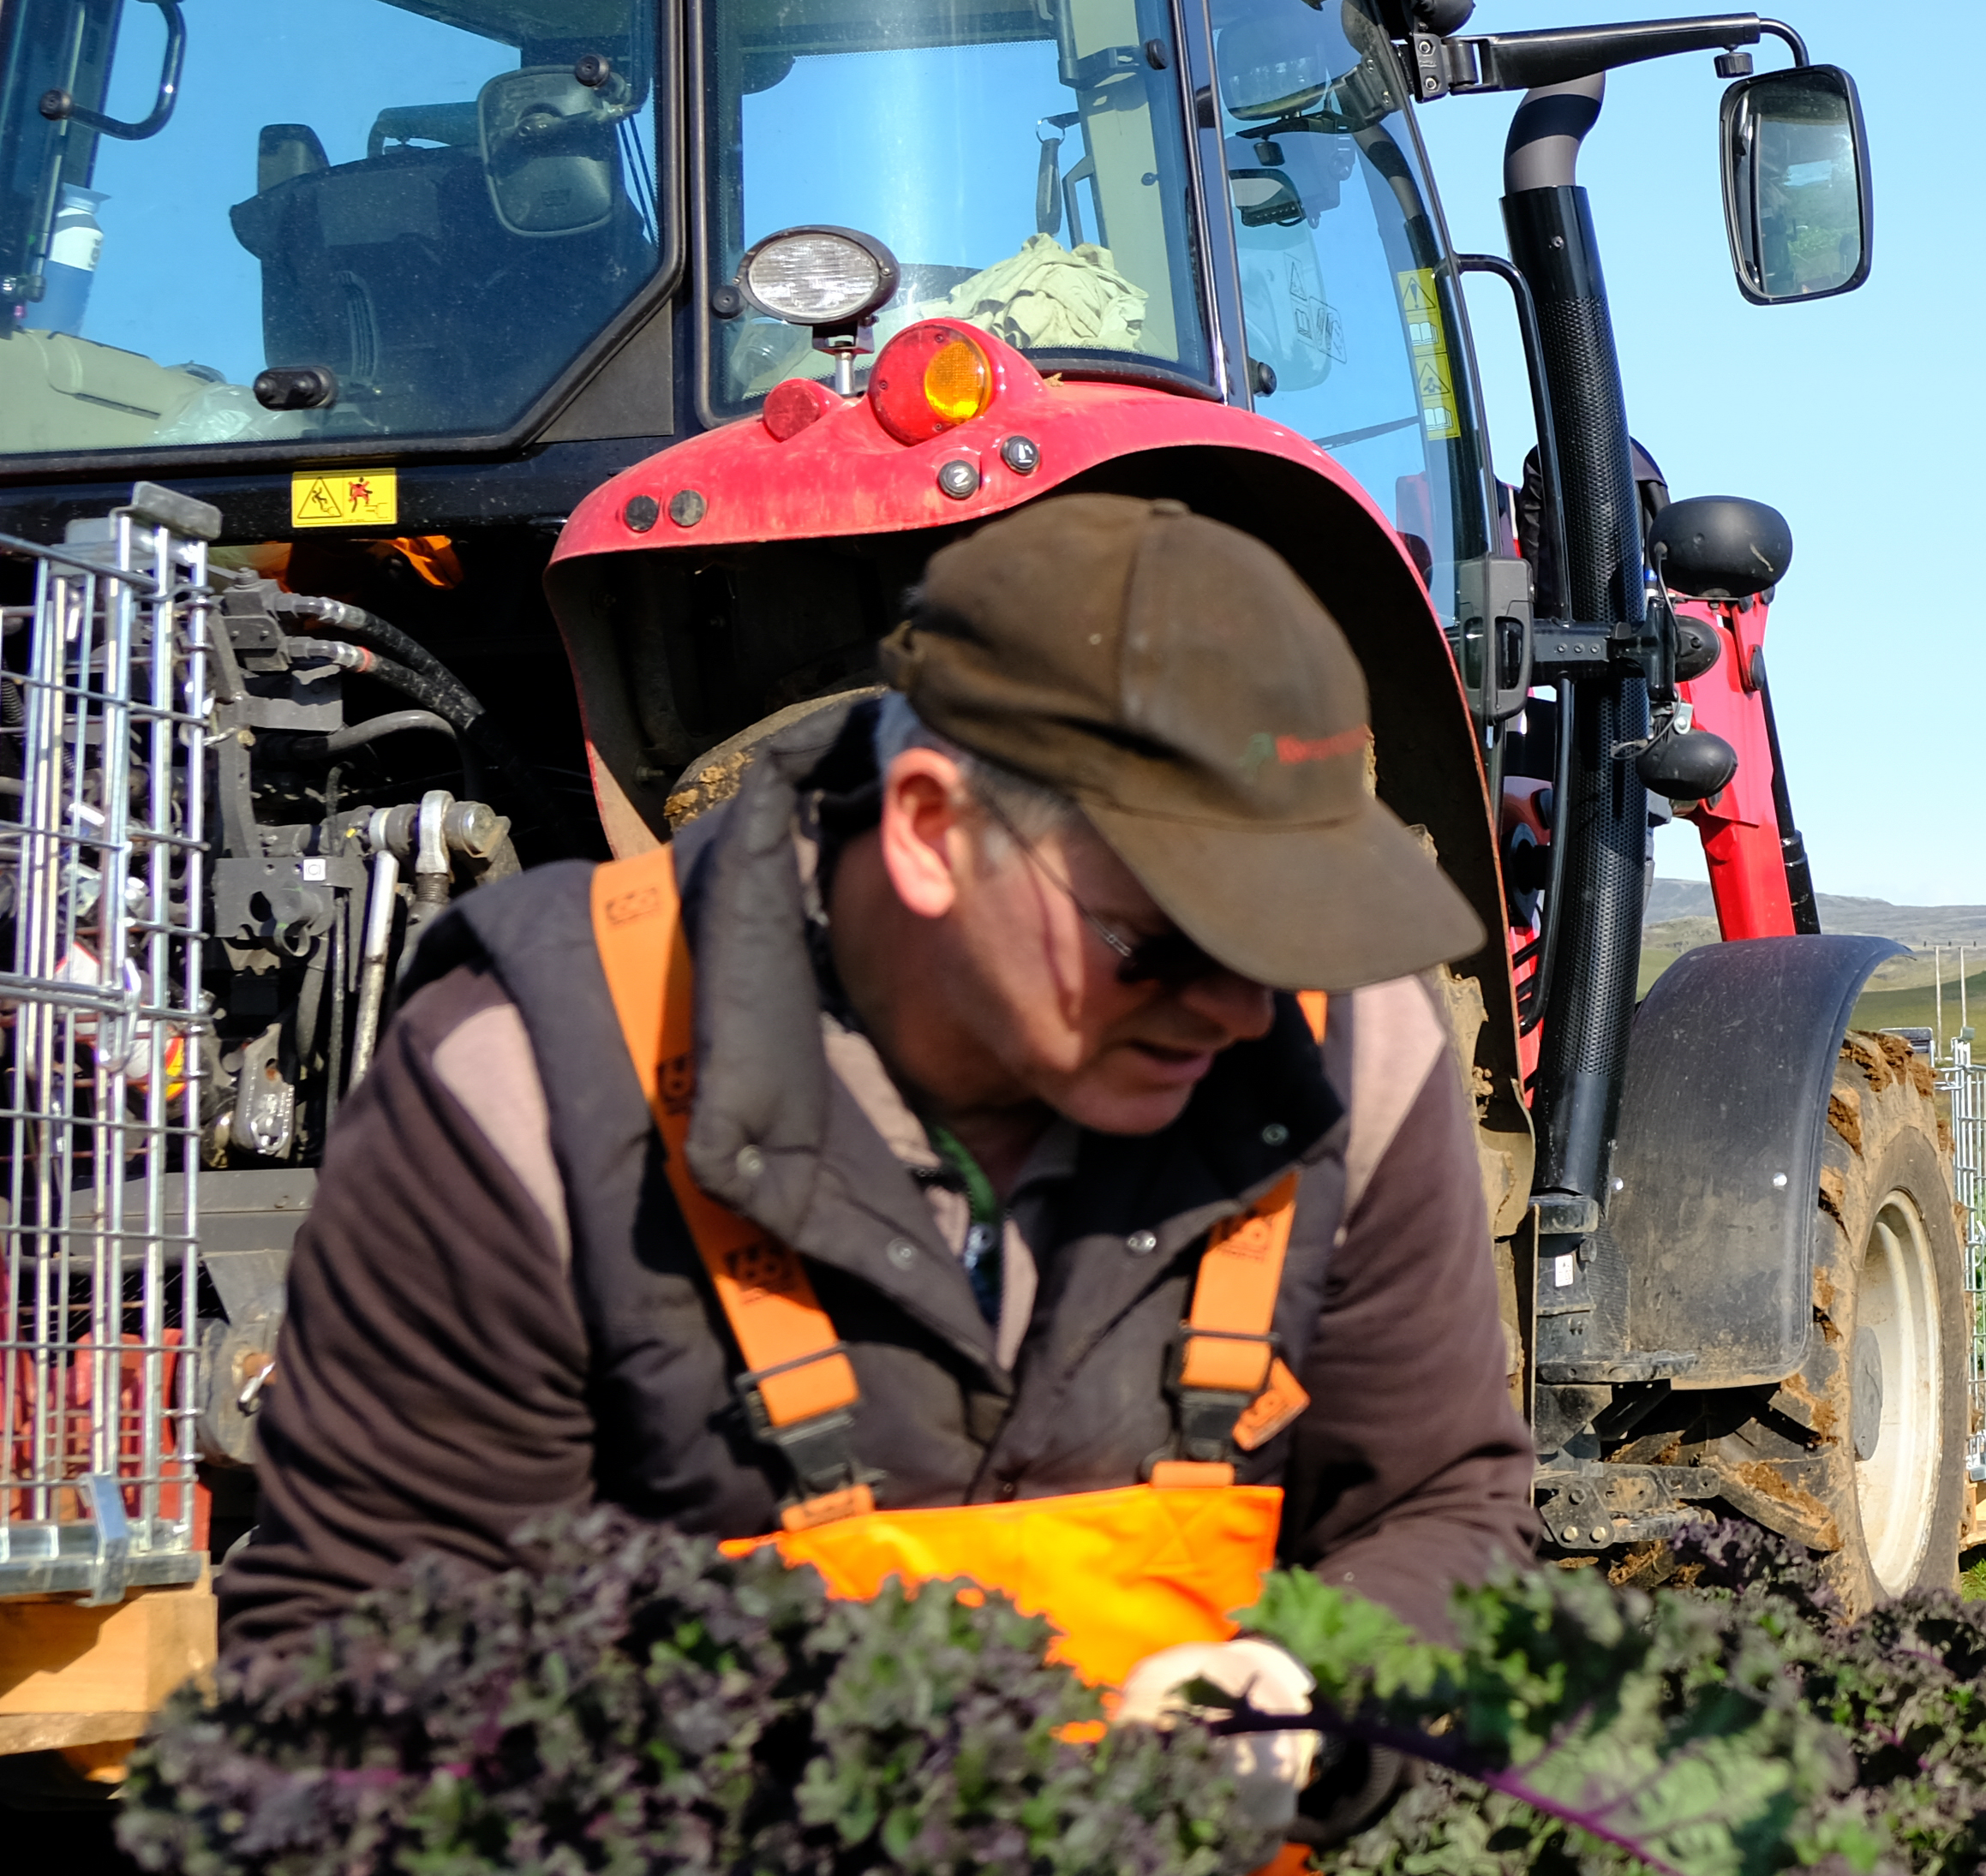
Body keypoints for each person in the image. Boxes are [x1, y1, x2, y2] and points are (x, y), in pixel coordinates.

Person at [230, 491, 1535, 1728]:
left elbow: (1439, 1511)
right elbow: (354, 1662)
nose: (1247, 1012)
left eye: (1283, 938)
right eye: (1165, 938)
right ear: (926, 828)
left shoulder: (1352, 1046)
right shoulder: (525, 1078)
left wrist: (1313, 1693)